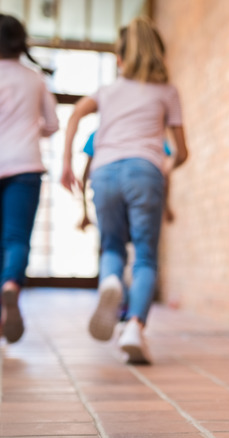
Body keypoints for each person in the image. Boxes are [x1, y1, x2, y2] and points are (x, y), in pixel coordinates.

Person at [60, 16, 188, 364]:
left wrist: (67, 164)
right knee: (145, 255)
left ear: (120, 57)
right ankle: (133, 326)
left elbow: (74, 116)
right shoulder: (167, 91)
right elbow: (181, 152)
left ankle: (110, 282)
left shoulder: (107, 91)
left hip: (103, 171)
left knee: (112, 246)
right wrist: (164, 167)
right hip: (144, 169)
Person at [0, 14, 59, 343]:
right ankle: (11, 284)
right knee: (17, 238)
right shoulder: (34, 79)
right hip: (25, 166)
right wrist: (29, 127)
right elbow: (52, 124)